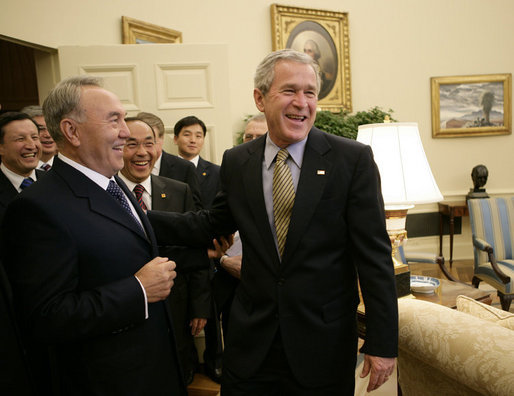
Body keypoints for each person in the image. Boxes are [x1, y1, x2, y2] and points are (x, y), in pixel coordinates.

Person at [148, 49, 398, 395]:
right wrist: (141, 218)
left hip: (322, 345)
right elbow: (211, 223)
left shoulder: (350, 159)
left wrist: (382, 342)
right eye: (290, 91)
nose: (302, 103)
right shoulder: (238, 161)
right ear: (260, 98)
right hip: (251, 345)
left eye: (310, 92)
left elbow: (374, 258)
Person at [1, 76, 186, 395]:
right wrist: (137, 290)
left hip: (156, 370)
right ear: (72, 131)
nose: (126, 131)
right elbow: (46, 318)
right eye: (114, 120)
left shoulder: (113, 185)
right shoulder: (37, 208)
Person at [118, 117, 211, 385]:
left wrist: (199, 306)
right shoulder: (108, 193)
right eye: (131, 144)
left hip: (176, 307)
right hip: (128, 311)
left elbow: (195, 250)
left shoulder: (178, 190)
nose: (142, 152)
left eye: (149, 143)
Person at [173, 115, 223, 381]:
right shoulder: (167, 168)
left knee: (212, 309)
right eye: (187, 134)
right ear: (176, 138)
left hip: (213, 247)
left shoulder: (216, 171)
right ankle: (187, 363)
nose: (193, 140)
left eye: (198, 135)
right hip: (182, 247)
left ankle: (216, 360)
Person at [137, 111, 203, 209]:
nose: (142, 150)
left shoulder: (184, 168)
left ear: (161, 139)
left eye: (149, 141)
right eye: (134, 142)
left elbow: (194, 214)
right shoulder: (121, 167)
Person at [0, 112, 43, 223]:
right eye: (20, 139)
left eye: (34, 137)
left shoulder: (57, 182)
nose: (31, 145)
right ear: (1, 148)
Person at [21, 105, 58, 170]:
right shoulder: (19, 169)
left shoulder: (70, 167)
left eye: (51, 128)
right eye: (40, 129)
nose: (48, 135)